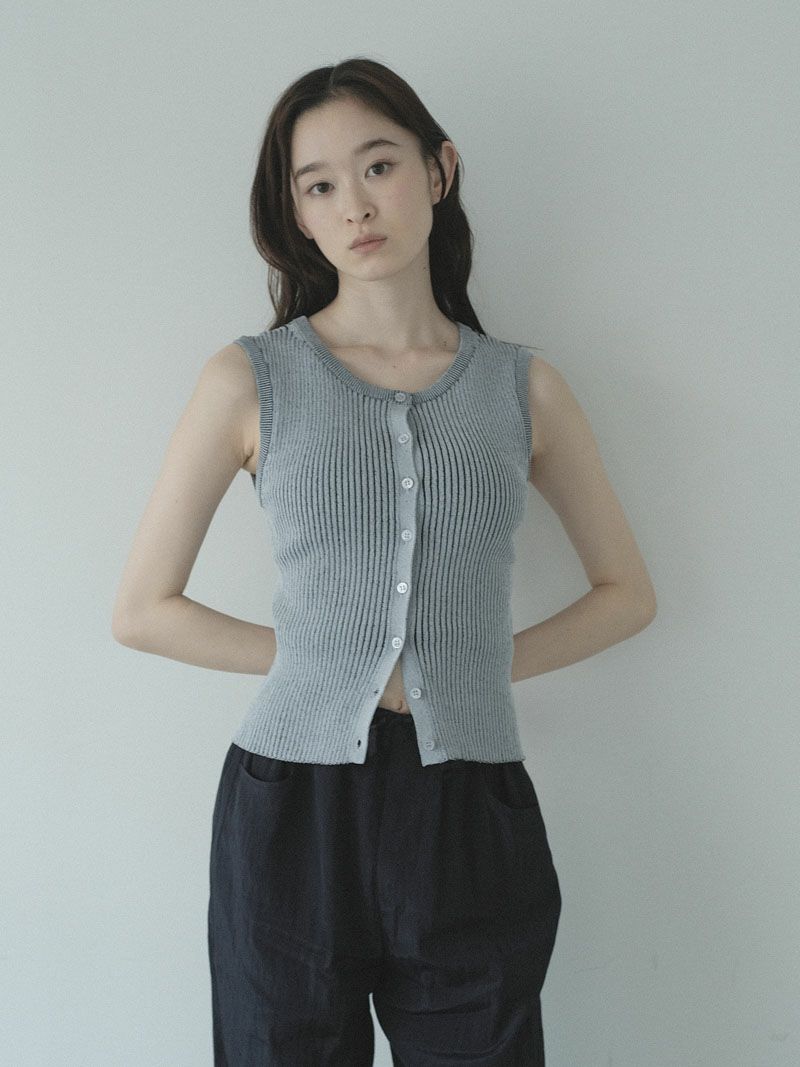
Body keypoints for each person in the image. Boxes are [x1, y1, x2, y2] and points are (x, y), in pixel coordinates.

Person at [112, 56, 656, 1066]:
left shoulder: (524, 388)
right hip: (291, 809)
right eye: (319, 185)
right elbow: (143, 608)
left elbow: (625, 594)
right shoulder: (249, 380)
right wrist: (328, 659)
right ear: (297, 215)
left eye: (378, 166)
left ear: (438, 169)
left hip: (471, 805)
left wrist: (468, 665)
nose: (355, 205)